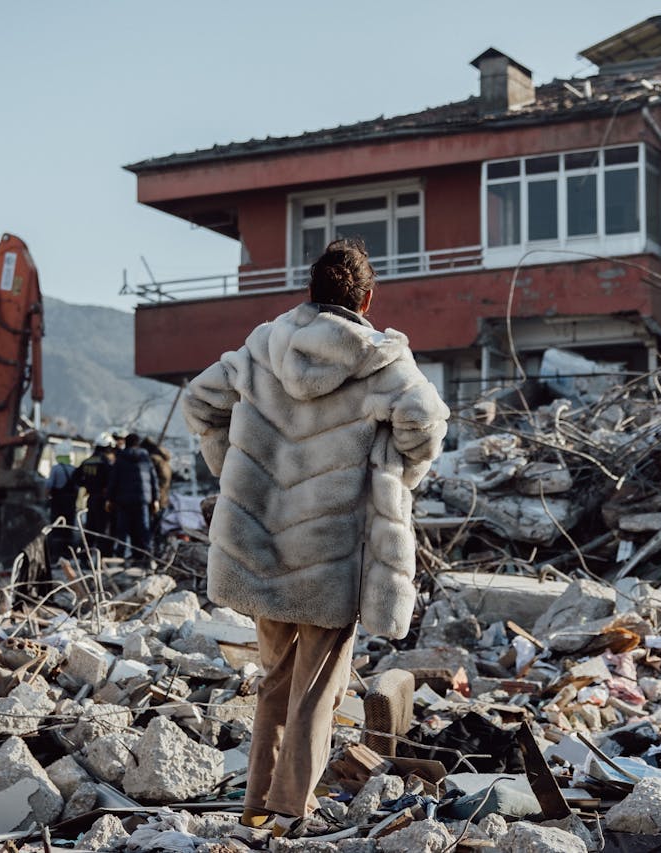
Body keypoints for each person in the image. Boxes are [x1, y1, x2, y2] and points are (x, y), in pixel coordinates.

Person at [183, 238, 448, 838]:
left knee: (274, 681)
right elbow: (425, 425)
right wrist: (396, 473)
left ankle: (257, 806)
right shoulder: (382, 361)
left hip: (262, 547)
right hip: (331, 554)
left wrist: (239, 472)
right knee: (315, 692)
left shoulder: (262, 346)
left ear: (311, 291)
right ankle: (287, 812)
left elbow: (200, 401)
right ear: (368, 297)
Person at [106, 433, 159, 566]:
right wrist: (156, 499)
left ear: (126, 443)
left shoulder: (120, 458)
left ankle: (120, 559)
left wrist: (109, 499)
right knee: (143, 529)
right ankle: (146, 558)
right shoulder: (146, 458)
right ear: (138, 443)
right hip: (143, 500)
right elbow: (154, 480)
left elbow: (113, 480)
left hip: (123, 501)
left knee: (122, 530)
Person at [79, 433, 117, 558]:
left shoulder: (87, 461)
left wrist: (87, 485)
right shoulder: (106, 463)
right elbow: (111, 482)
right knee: (103, 530)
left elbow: (76, 478)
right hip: (103, 500)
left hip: (91, 498)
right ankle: (103, 558)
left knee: (90, 528)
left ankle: (85, 557)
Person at [45, 442, 83, 562]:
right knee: (68, 529)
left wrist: (45, 498)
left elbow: (49, 486)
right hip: (70, 504)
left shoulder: (56, 469)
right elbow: (78, 489)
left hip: (57, 504)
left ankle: (55, 555)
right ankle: (68, 554)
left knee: (56, 528)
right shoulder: (74, 470)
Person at [140, 436, 173, 546]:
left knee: (149, 528)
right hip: (163, 498)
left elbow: (152, 480)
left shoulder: (153, 460)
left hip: (155, 499)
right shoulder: (163, 460)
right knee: (157, 527)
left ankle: (150, 553)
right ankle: (157, 550)